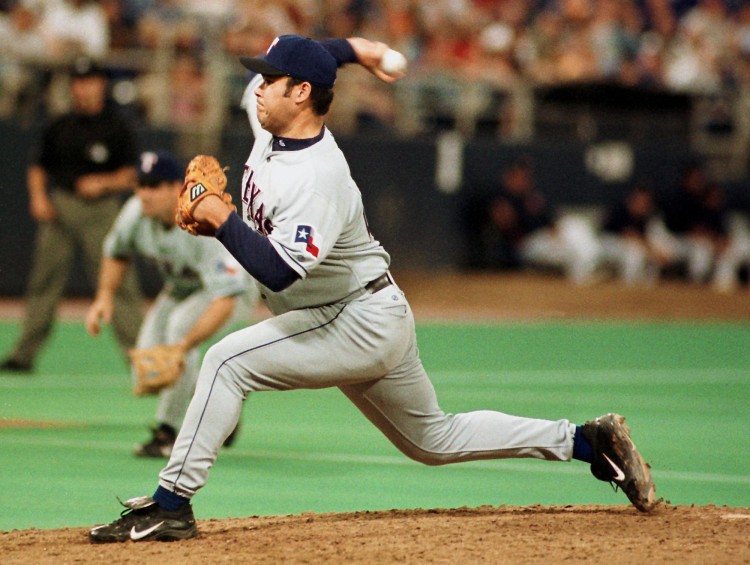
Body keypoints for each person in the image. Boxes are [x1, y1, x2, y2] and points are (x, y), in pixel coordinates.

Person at [88, 34, 658, 544]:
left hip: (352, 318)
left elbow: (282, 273)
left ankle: (171, 506)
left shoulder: (321, 176)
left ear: (302, 93)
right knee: (434, 440)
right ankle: (589, 441)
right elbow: (329, 50)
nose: (257, 87)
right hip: (359, 311)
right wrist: (370, 53)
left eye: (270, 79)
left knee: (225, 362)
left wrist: (221, 220)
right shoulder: (273, 114)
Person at [85, 151, 258, 457]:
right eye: (141, 185)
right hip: (181, 289)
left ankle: (168, 431)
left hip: (234, 291)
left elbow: (225, 299)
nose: (144, 194)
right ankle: (224, 403)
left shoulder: (201, 223)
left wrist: (183, 345)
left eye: (154, 185)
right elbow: (117, 252)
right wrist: (104, 297)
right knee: (148, 358)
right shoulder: (136, 212)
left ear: (177, 187)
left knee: (180, 333)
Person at [0, 57, 143, 374]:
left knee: (119, 282)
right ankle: (24, 353)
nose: (83, 88)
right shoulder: (60, 124)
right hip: (62, 208)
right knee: (44, 282)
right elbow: (39, 165)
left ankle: (139, 356)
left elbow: (133, 173)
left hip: (102, 211)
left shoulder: (117, 125)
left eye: (90, 81)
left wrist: (103, 182)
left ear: (101, 85)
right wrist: (38, 197)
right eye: (78, 82)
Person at [486, 158, 599, 284]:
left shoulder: (532, 197)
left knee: (577, 226)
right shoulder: (501, 198)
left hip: (546, 238)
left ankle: (588, 269)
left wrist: (555, 233)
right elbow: (506, 228)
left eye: (525, 176)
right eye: (518, 176)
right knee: (569, 249)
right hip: (527, 243)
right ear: (509, 177)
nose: (523, 180)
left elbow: (549, 220)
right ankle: (582, 274)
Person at [596, 183, 670, 285]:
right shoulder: (620, 211)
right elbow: (629, 236)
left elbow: (652, 238)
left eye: (646, 201)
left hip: (635, 245)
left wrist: (657, 252)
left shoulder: (649, 216)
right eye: (640, 200)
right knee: (634, 253)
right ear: (632, 199)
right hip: (608, 244)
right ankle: (628, 286)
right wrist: (652, 252)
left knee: (645, 250)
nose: (643, 204)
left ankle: (646, 287)